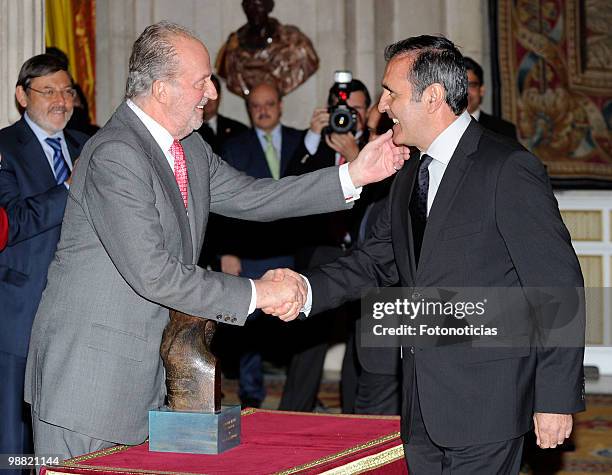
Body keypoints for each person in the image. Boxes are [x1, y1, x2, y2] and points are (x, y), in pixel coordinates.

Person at [23, 21, 407, 461]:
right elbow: (157, 274)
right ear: (162, 89)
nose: (212, 93)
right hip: (88, 386)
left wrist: (354, 174)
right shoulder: (117, 154)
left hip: (141, 379)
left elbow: (254, 195)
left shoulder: (188, 146)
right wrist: (261, 292)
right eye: (201, 81)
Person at [268, 35, 585, 474]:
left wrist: (553, 397)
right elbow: (375, 261)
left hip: (487, 403)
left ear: (432, 97)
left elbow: (556, 281)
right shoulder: (408, 174)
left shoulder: (507, 167)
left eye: (391, 93)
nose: (381, 106)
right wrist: (304, 290)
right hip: (420, 407)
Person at [0, 54, 89, 475]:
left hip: (79, 313)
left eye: (67, 91)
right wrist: (68, 189)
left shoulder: (88, 146)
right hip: (20, 310)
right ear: (22, 96)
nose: (61, 100)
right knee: (13, 439)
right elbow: (11, 221)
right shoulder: (4, 148)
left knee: (65, 428)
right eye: (48, 91)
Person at [280, 78, 372, 413]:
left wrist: (354, 157)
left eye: (357, 110)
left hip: (365, 256)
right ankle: (293, 413)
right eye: (341, 109)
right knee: (310, 340)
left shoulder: (380, 145)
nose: (349, 116)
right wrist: (311, 136)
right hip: (321, 254)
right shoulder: (315, 148)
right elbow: (286, 190)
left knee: (362, 344)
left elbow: (381, 204)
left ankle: (356, 417)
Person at [215, 82, 304, 408]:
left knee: (298, 321)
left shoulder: (302, 141)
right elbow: (221, 204)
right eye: (256, 106)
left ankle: (296, 396)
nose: (263, 110)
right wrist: (227, 251)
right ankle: (251, 393)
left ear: (280, 105)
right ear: (249, 110)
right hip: (250, 250)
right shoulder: (234, 146)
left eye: (269, 104)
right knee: (248, 324)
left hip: (295, 249)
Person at [216, 0, 319, 96]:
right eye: (250, 5)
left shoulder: (294, 41)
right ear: (244, 7)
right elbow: (227, 75)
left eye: (259, 5)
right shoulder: (233, 47)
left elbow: (310, 62)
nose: (254, 11)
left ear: (269, 6)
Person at [464, 56, 517, 139]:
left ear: (481, 90)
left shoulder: (504, 130)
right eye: (459, 86)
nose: (466, 92)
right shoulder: (440, 128)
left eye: (471, 85)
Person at [195, 74, 248, 155]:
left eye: (211, 94)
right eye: (204, 94)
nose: (207, 100)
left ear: (219, 97)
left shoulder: (239, 130)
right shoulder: (188, 132)